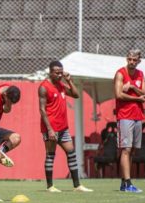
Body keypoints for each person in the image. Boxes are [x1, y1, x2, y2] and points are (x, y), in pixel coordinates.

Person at [38, 61, 93, 193]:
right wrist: (50, 129)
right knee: (50, 155)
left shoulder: (61, 85)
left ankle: (77, 186)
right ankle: (50, 186)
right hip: (51, 128)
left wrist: (69, 81)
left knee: (71, 153)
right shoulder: (44, 87)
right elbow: (42, 110)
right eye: (56, 72)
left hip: (63, 128)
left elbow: (76, 94)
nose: (59, 75)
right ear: (50, 72)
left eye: (61, 72)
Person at [114, 49, 145, 193]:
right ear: (126, 59)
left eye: (134, 60)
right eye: (129, 59)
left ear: (139, 60)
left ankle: (123, 183)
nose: (132, 62)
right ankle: (128, 183)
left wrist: (133, 87)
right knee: (126, 149)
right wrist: (137, 98)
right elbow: (118, 94)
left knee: (132, 151)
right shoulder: (120, 73)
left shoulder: (140, 74)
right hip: (125, 116)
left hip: (138, 115)